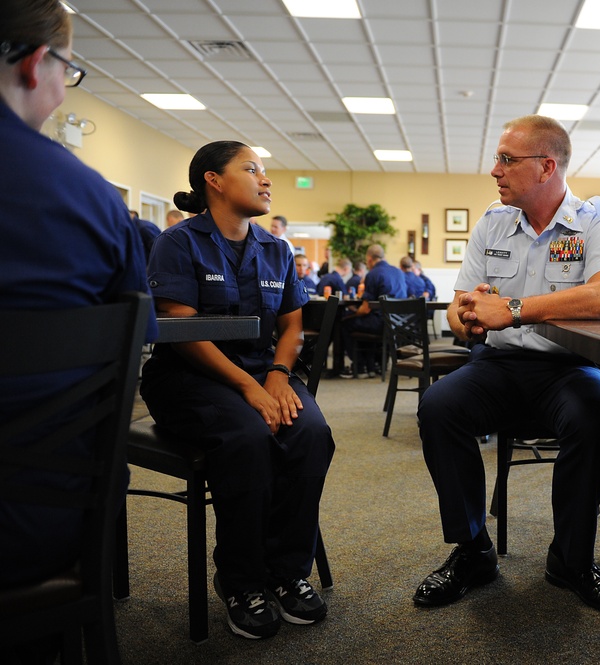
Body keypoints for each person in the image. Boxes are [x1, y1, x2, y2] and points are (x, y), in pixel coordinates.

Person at [414, 114, 600, 614]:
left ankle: (572, 560)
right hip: (499, 365)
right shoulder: (493, 221)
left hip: (569, 368)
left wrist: (513, 309)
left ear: (546, 167)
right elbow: (458, 303)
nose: (495, 170)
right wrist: (466, 319)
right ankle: (472, 552)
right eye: (498, 159)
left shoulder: (596, 222)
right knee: (439, 405)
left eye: (507, 160)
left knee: (594, 415)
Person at [0, 3, 157, 659]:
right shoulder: (88, 196)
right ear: (38, 64)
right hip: (44, 515)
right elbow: (137, 328)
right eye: (70, 70)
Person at [140, 141, 334, 640]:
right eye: (252, 169)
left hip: (261, 372)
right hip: (190, 379)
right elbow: (180, 328)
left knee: (311, 432)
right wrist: (249, 386)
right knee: (248, 438)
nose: (266, 179)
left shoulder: (276, 249)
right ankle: (241, 580)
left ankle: (288, 572)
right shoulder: (179, 243)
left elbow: (293, 327)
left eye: (265, 171)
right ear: (214, 180)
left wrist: (275, 374)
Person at [338, 243, 406, 377]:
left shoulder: (373, 274)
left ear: (369, 259)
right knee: (363, 322)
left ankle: (360, 366)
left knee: (344, 323)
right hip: (399, 324)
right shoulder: (398, 272)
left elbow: (365, 309)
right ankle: (376, 364)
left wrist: (352, 314)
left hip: (381, 323)